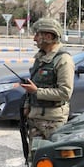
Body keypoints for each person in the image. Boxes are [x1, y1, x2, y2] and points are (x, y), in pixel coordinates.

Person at [21, 17, 74, 146]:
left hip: (52, 122)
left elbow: (65, 93)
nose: (34, 39)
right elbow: (33, 83)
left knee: (51, 161)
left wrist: (37, 91)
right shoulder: (41, 57)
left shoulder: (63, 60)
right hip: (35, 118)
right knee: (34, 159)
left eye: (37, 35)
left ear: (49, 36)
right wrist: (27, 105)